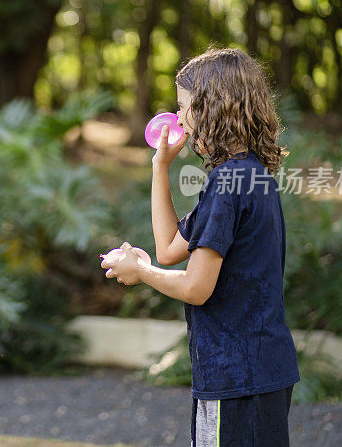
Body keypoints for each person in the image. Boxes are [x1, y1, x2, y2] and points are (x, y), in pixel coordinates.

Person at [101, 48, 299, 446]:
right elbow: (170, 248)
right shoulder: (249, 175)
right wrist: (160, 167)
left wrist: (140, 273)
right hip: (260, 371)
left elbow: (196, 287)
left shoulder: (227, 185)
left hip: (237, 377)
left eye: (183, 107)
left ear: (211, 108)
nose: (178, 120)